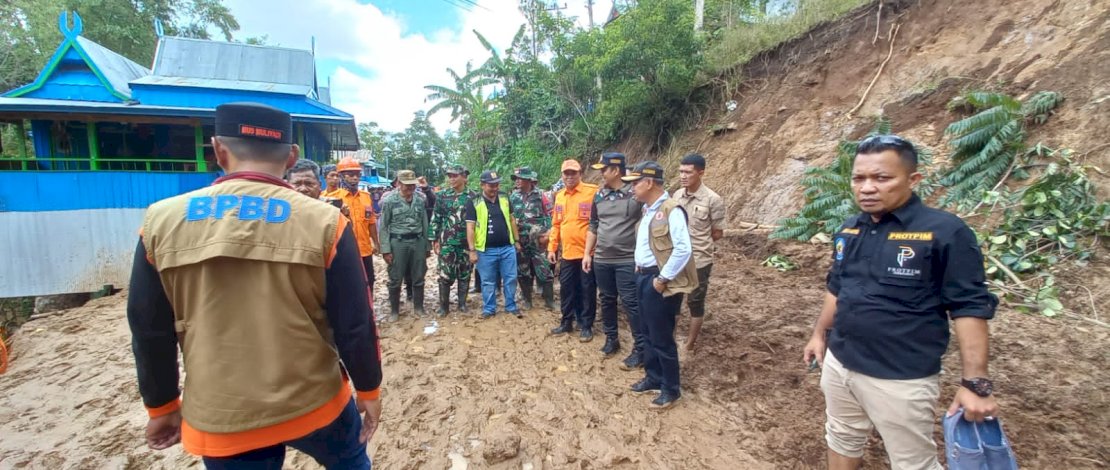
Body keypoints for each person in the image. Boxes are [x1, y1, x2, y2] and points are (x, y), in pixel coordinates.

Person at [126, 102, 382, 468]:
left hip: (222, 414)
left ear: (218, 150)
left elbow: (148, 328)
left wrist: (162, 405)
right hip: (314, 400)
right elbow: (355, 322)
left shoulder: (160, 222)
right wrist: (369, 388)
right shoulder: (325, 222)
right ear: (291, 156)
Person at [802, 135, 999, 470]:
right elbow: (837, 288)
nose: (867, 188)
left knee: (912, 462)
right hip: (840, 362)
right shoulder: (850, 230)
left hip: (899, 377)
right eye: (859, 178)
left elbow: (968, 307)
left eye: (882, 178)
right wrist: (819, 335)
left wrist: (975, 384)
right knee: (841, 435)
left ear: (913, 179)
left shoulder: (945, 232)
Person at [623, 161, 697, 410]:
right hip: (644, 276)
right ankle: (653, 378)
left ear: (649, 182)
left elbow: (683, 249)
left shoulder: (671, 210)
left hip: (658, 280)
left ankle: (671, 389)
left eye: (635, 183)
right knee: (647, 331)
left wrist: (662, 279)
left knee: (662, 336)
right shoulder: (648, 210)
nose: (632, 188)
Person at [583, 153, 645, 364]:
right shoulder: (599, 195)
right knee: (607, 299)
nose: (601, 173)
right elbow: (593, 226)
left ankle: (640, 348)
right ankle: (612, 339)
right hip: (602, 259)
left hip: (627, 259)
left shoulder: (635, 193)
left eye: (604, 169)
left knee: (630, 303)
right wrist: (587, 253)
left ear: (616, 170)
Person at [673, 154, 728, 351]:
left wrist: (698, 244)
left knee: (695, 301)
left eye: (688, 172)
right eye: (681, 171)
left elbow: (717, 233)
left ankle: (689, 344)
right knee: (674, 299)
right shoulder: (677, 196)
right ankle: (671, 337)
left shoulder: (713, 200)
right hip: (677, 258)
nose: (683, 176)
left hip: (699, 259)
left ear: (701, 173)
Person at [547, 159, 599, 341]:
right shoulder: (560, 196)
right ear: (562, 175)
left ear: (580, 174)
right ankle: (566, 321)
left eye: (573, 173)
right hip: (568, 253)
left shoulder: (592, 192)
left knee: (587, 289)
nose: (569, 176)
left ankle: (586, 325)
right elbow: (556, 224)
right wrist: (552, 248)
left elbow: (598, 222)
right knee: (566, 288)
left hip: (587, 253)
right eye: (566, 173)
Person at [466, 170, 523, 318]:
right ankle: (489, 309)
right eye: (491, 185)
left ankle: (511, 306)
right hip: (485, 250)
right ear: (482, 185)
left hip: (507, 247)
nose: (495, 188)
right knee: (488, 281)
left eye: (497, 184)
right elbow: (470, 227)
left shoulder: (504, 197)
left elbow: (512, 220)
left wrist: (516, 240)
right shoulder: (474, 202)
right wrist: (472, 250)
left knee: (511, 278)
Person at [378, 169, 431, 321]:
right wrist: (385, 250)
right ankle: (394, 311)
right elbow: (384, 226)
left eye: (412, 185)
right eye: (407, 185)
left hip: (417, 241)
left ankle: (419, 307)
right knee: (395, 277)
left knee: (419, 275)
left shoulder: (420, 200)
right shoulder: (390, 201)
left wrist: (427, 246)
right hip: (398, 242)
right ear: (399, 184)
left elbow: (424, 223)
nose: (410, 188)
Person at [325, 157, 381, 287]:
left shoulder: (366, 197)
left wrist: (376, 243)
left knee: (369, 281)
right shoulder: (332, 198)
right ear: (341, 176)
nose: (355, 178)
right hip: (343, 251)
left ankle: (368, 301)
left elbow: (371, 222)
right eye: (350, 175)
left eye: (357, 174)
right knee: (346, 284)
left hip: (364, 249)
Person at [431, 164, 478, 316]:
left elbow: (479, 221)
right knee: (445, 274)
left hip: (466, 243)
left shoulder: (474, 196)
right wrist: (434, 239)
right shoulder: (442, 195)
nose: (451, 179)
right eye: (449, 176)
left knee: (465, 273)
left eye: (455, 176)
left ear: (464, 177)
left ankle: (462, 304)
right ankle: (444, 307)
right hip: (447, 242)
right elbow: (436, 217)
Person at [510, 166, 555, 311]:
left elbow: (549, 215)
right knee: (522, 271)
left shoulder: (540, 195)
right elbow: (510, 218)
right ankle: (527, 300)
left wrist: (548, 233)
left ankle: (549, 301)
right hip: (521, 239)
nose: (517, 181)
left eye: (520, 179)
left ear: (528, 180)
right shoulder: (513, 197)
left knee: (544, 269)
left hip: (538, 239)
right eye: (516, 179)